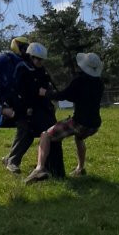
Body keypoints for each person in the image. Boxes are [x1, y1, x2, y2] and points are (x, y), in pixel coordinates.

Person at [25, 52, 105, 183]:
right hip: (94, 125)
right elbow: (77, 97)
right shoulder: (99, 83)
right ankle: (80, 168)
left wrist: (46, 93)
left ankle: (40, 168)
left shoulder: (79, 80)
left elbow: (63, 95)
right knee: (79, 138)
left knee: (45, 135)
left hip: (79, 123)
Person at [5, 42, 65, 177]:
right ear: (31, 57)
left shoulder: (41, 70)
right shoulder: (22, 68)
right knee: (25, 133)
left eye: (41, 59)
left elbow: (47, 88)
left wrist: (46, 94)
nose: (39, 61)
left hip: (41, 108)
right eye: (37, 59)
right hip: (23, 107)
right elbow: (19, 89)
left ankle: (53, 169)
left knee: (48, 134)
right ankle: (12, 161)